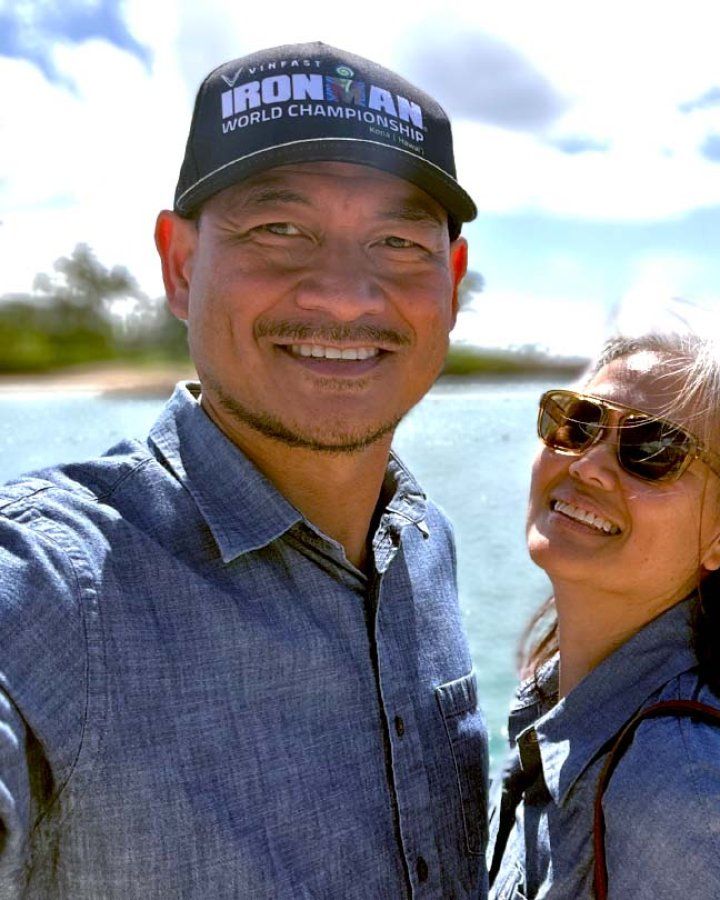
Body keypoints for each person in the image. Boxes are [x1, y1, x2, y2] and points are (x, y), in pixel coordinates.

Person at [0, 42, 489, 899]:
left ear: (450, 282)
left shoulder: (424, 541)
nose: (344, 295)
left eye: (397, 240)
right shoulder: (61, 582)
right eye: (279, 230)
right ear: (181, 266)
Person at [487, 332, 720, 898]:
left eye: (653, 450)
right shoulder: (564, 706)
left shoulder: (687, 787)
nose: (589, 465)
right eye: (579, 422)